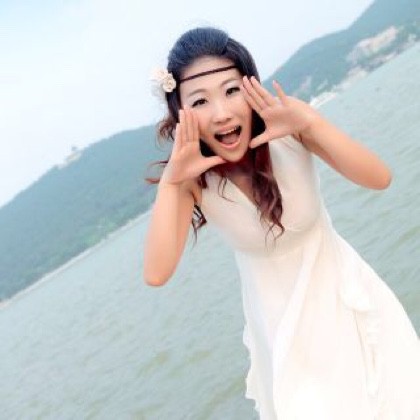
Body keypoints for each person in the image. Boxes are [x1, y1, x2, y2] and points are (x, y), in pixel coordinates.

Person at [143, 27, 420, 419]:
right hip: (285, 342)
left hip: (350, 310)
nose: (221, 112)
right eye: (200, 100)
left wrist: (310, 123)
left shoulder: (289, 132)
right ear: (180, 113)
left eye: (231, 90)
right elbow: (156, 273)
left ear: (251, 86)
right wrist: (172, 182)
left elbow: (379, 178)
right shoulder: (191, 181)